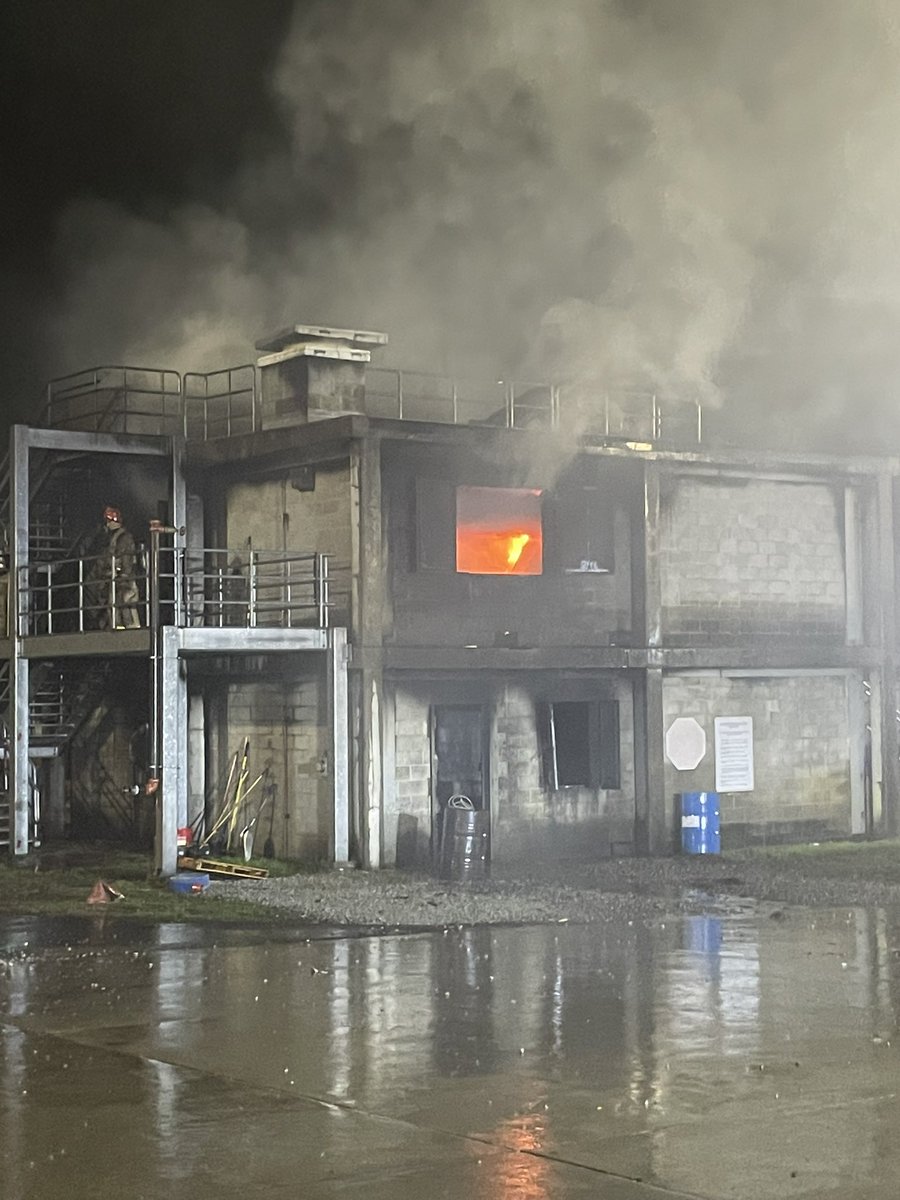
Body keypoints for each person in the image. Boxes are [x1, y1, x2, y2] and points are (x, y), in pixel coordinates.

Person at [92, 505, 141, 629]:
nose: (107, 525)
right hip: (113, 578)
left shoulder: (124, 538)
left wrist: (122, 575)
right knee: (114, 605)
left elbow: (126, 560)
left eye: (108, 522)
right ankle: (117, 627)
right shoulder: (113, 538)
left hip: (123, 579)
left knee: (125, 602)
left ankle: (131, 628)